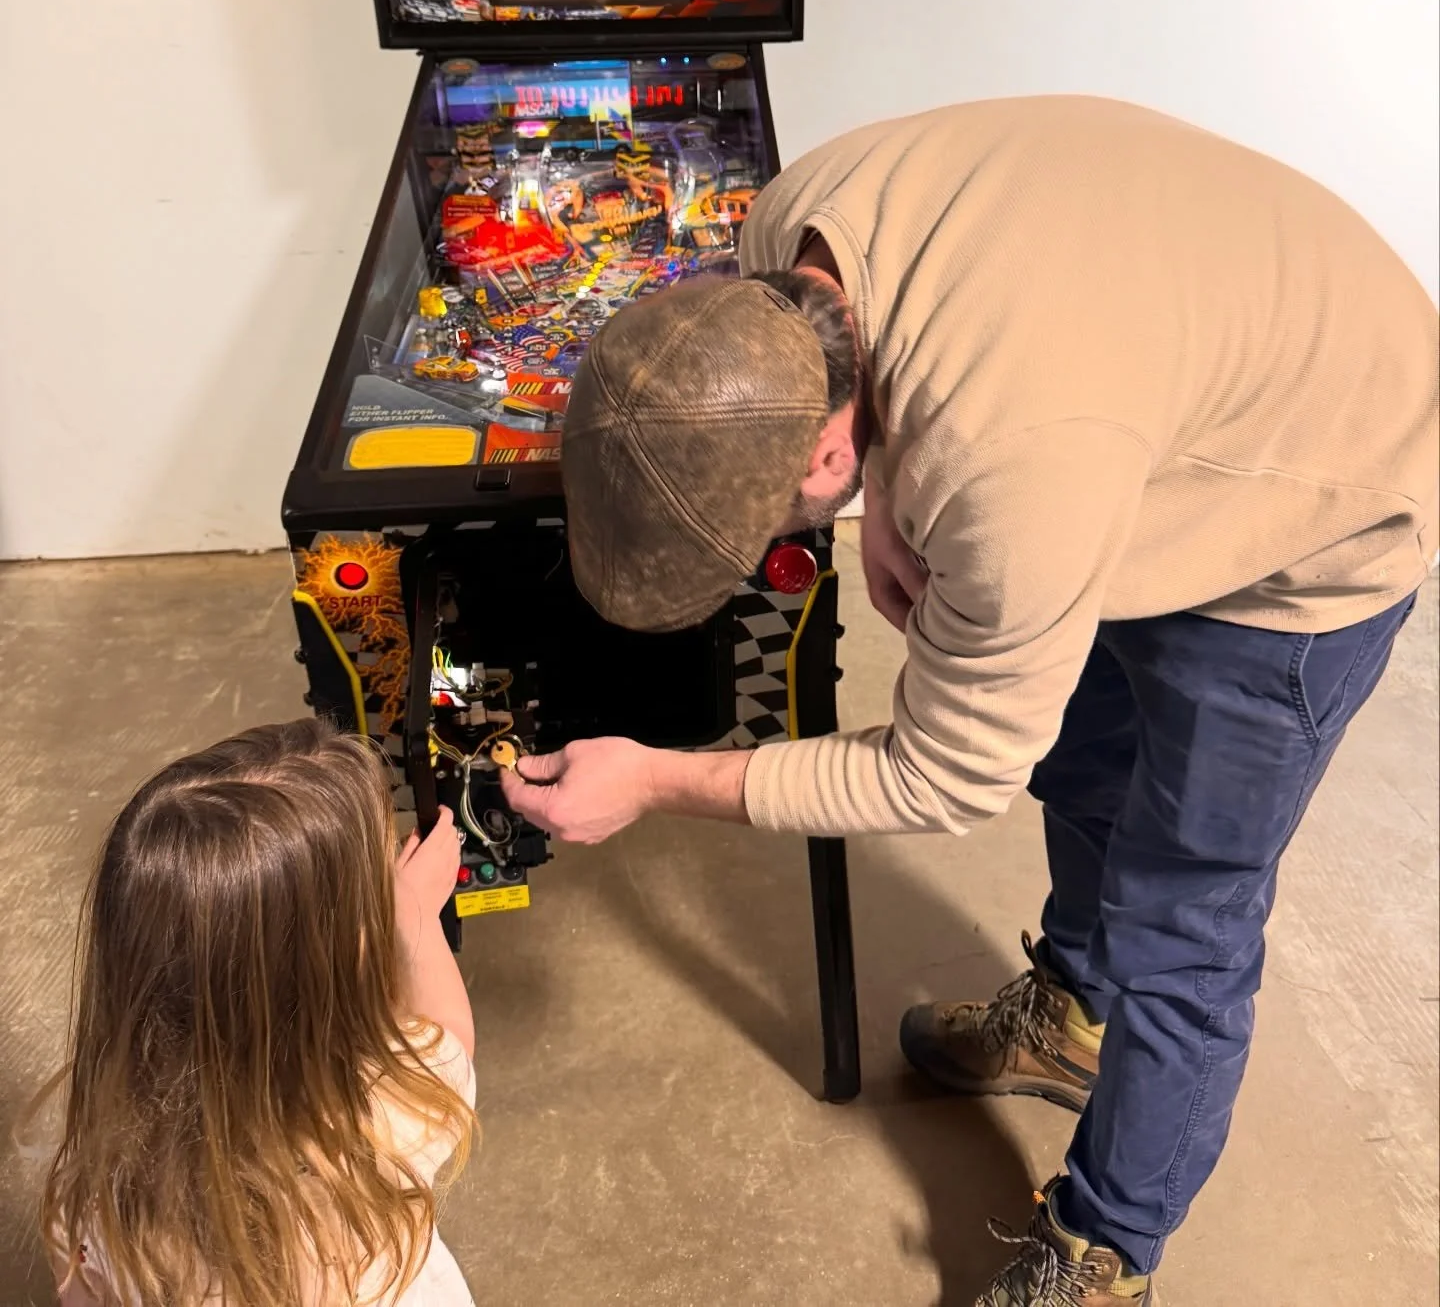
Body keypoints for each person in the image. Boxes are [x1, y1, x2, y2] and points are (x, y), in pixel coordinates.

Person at [502, 95, 1438, 1306]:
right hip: (1157, 397)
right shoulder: (788, 233)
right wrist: (892, 495)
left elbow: (944, 774)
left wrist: (659, 780)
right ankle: (1073, 1016)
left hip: (1325, 490)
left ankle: (1108, 1252)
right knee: (1085, 760)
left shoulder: (1015, 473)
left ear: (823, 453)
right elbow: (924, 371)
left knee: (1183, 924)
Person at [40, 719, 477, 1307]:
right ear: (325, 968)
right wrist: (412, 913)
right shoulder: (384, 1120)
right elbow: (451, 1036)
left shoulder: (96, 1189)